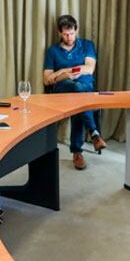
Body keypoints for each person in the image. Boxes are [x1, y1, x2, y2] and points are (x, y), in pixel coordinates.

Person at [43, 15, 107, 170]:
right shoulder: (53, 51)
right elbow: (47, 79)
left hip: (84, 89)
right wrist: (66, 76)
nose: (69, 37)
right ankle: (94, 134)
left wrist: (63, 71)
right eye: (65, 34)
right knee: (78, 92)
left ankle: (77, 152)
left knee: (79, 97)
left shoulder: (87, 45)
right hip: (62, 89)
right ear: (59, 33)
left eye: (71, 33)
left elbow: (89, 69)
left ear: (76, 30)